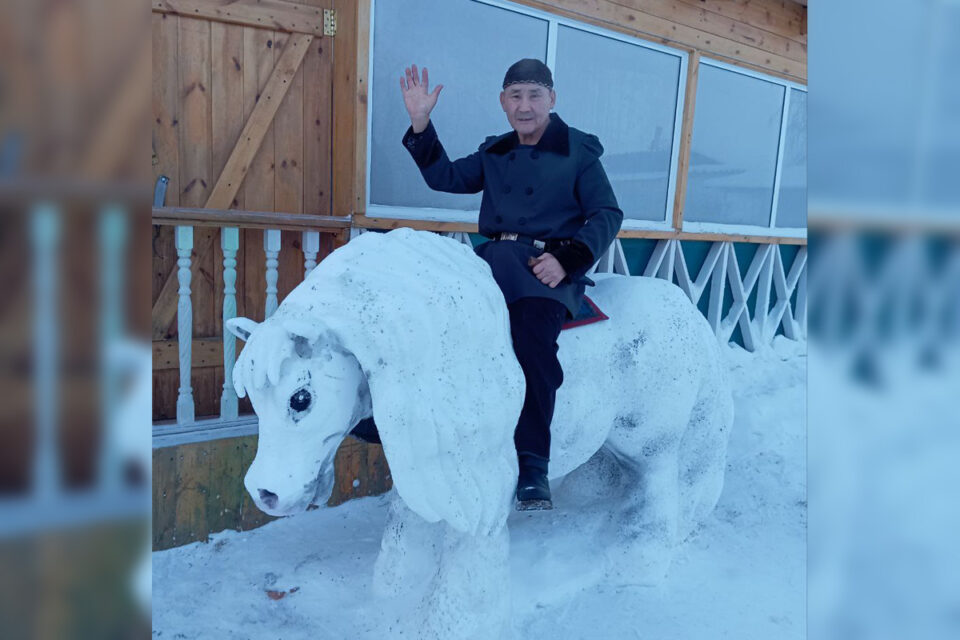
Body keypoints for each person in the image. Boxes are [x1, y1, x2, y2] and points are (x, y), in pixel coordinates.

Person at [399, 59, 623, 510]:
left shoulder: (579, 151)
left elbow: (607, 214)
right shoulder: (496, 151)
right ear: (503, 102)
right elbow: (446, 178)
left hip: (545, 269)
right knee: (431, 324)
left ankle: (533, 464)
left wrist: (566, 261)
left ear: (552, 99)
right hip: (490, 263)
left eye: (534, 95)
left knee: (532, 348)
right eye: (515, 96)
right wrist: (421, 123)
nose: (525, 105)